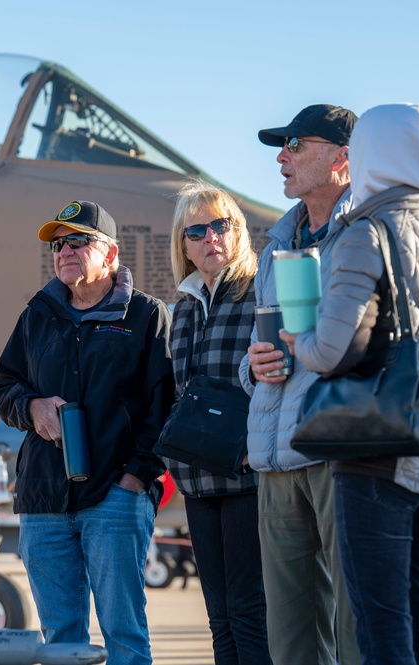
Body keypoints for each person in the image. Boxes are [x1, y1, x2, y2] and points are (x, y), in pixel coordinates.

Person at [282, 103, 419, 663]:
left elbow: (331, 350)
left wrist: (295, 338)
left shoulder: (365, 234)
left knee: (382, 627)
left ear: (369, 155)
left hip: (379, 453)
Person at [0, 200, 173, 665]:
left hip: (115, 498)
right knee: (61, 641)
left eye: (78, 240)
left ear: (111, 254)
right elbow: (5, 384)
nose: (64, 251)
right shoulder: (38, 313)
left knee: (125, 636)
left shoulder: (146, 316)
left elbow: (165, 406)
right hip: (44, 501)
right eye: (57, 244)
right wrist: (31, 407)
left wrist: (134, 480)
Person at [239, 104, 361, 665]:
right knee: (291, 638)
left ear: (342, 158)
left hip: (342, 449)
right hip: (276, 458)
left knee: (358, 626)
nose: (282, 158)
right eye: (281, 147)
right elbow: (257, 349)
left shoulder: (373, 231)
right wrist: (254, 365)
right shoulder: (275, 247)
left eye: (295, 144)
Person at [162, 181, 270, 664]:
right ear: (183, 245)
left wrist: (256, 442)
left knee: (250, 613)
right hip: (196, 478)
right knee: (219, 617)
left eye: (220, 226)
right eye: (197, 231)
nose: (211, 238)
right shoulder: (183, 308)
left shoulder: (258, 292)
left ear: (237, 231)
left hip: (246, 474)